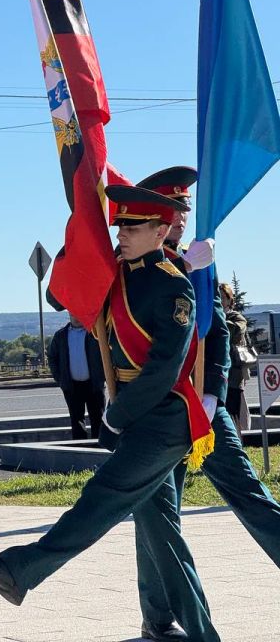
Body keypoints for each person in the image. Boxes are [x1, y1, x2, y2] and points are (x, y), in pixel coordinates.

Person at [0, 185, 221, 642]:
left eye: (132, 227)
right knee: (163, 536)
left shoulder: (173, 284)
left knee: (101, 497)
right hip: (136, 414)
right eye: (118, 225)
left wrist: (115, 417)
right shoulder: (116, 272)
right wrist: (84, 240)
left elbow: (164, 369)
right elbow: (59, 299)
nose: (121, 233)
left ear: (161, 231)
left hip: (165, 418)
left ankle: (20, 570)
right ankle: (199, 634)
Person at [133, 167, 280, 641]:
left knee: (249, 495)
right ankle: (157, 617)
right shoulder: (138, 268)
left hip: (202, 408)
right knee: (159, 514)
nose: (183, 217)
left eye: (183, 209)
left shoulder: (194, 261)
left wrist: (213, 392)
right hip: (158, 410)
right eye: (175, 209)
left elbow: (215, 332)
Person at [48, 314, 105, 439]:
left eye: (79, 312)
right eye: (73, 313)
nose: (77, 316)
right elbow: (52, 358)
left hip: (94, 385)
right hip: (72, 387)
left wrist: (102, 377)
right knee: (76, 421)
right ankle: (80, 450)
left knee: (98, 419)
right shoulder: (61, 336)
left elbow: (107, 353)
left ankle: (100, 450)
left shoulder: (95, 332)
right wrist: (61, 380)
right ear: (68, 314)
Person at [220, 282, 252, 433]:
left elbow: (236, 330)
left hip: (233, 376)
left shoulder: (236, 317)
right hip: (218, 373)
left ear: (229, 299)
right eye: (217, 296)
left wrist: (218, 319)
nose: (220, 299)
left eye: (223, 296)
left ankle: (238, 442)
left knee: (234, 416)